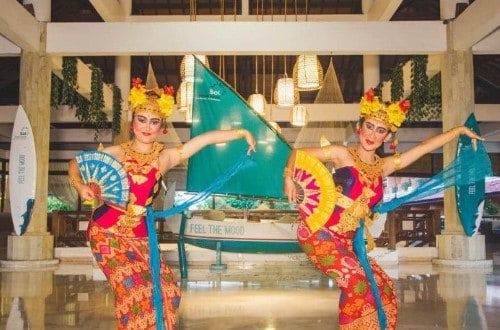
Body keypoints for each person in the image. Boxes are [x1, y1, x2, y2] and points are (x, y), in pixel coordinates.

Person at [282, 88, 483, 330]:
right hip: (318, 234)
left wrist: (458, 131)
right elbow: (296, 153)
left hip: (347, 241)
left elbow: (424, 147)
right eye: (369, 126)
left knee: (383, 288)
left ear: (387, 137)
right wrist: (288, 176)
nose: (372, 134)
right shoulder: (342, 154)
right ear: (360, 127)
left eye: (380, 130)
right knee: (357, 283)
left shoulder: (384, 167)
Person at [68, 75, 256, 330]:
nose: (147, 127)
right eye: (142, 120)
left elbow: (203, 140)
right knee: (134, 288)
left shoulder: (164, 158)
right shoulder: (117, 152)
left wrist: (241, 132)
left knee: (167, 290)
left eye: (154, 122)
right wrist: (79, 185)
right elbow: (75, 164)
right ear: (133, 123)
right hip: (106, 232)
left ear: (161, 126)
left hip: (141, 235)